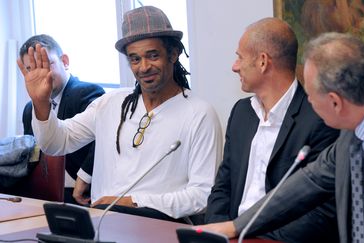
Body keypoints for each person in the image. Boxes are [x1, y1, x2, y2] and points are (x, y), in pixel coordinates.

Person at [199, 32, 364, 242]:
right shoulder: (358, 124)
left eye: (310, 94)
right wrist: (235, 226)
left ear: (335, 102)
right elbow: (309, 182)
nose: (307, 101)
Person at [17, 6, 223, 223]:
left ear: (173, 54)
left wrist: (133, 202)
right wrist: (40, 103)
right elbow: (55, 143)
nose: (143, 67)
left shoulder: (200, 113)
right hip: (102, 226)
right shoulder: (111, 102)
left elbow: (204, 195)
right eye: (134, 59)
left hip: (161, 228)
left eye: (153, 56)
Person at [204, 18, 340, 242]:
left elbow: (321, 212)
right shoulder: (241, 112)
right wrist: (217, 230)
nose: (234, 66)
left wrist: (245, 234)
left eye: (240, 57)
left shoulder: (319, 118)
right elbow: (222, 187)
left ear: (263, 62)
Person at [19, 34, 105, 204]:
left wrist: (84, 177)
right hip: (44, 192)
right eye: (31, 69)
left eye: (45, 64)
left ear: (64, 61)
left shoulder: (86, 92)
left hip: (81, 192)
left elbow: (103, 139)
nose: (41, 74)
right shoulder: (30, 109)